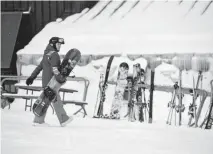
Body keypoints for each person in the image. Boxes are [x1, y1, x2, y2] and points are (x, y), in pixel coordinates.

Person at [26, 37, 73, 127]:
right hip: (52, 82)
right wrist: (61, 78)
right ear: (53, 44)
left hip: (45, 82)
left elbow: (40, 67)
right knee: (55, 101)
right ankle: (63, 119)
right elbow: (56, 70)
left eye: (60, 45)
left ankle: (38, 121)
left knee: (46, 101)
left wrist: (32, 77)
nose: (60, 46)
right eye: (58, 44)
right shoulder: (54, 55)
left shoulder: (47, 53)